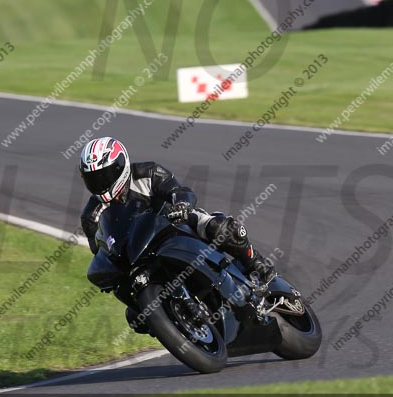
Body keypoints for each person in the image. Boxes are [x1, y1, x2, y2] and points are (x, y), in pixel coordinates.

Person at [79, 136, 276, 333]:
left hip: (173, 225)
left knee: (220, 227)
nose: (100, 183)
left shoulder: (147, 173)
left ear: (120, 165)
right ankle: (174, 322)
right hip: (136, 254)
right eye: (93, 178)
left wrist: (181, 205)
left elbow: (178, 190)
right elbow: (99, 249)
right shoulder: (91, 215)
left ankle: (256, 264)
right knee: (134, 316)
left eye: (104, 175)